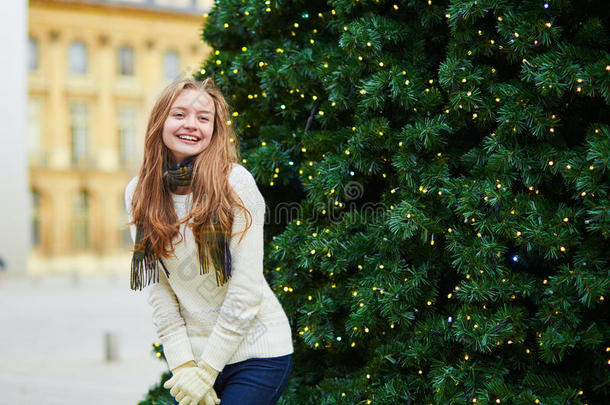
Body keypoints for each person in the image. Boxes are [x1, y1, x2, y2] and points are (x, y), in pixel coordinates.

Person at [124, 77, 294, 405]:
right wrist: (185, 366)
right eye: (180, 115)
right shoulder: (139, 193)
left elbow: (245, 292)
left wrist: (207, 371)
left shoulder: (235, 184)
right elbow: (159, 290)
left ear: (215, 130)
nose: (192, 125)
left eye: (204, 118)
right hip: (195, 360)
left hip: (257, 352)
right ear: (160, 120)